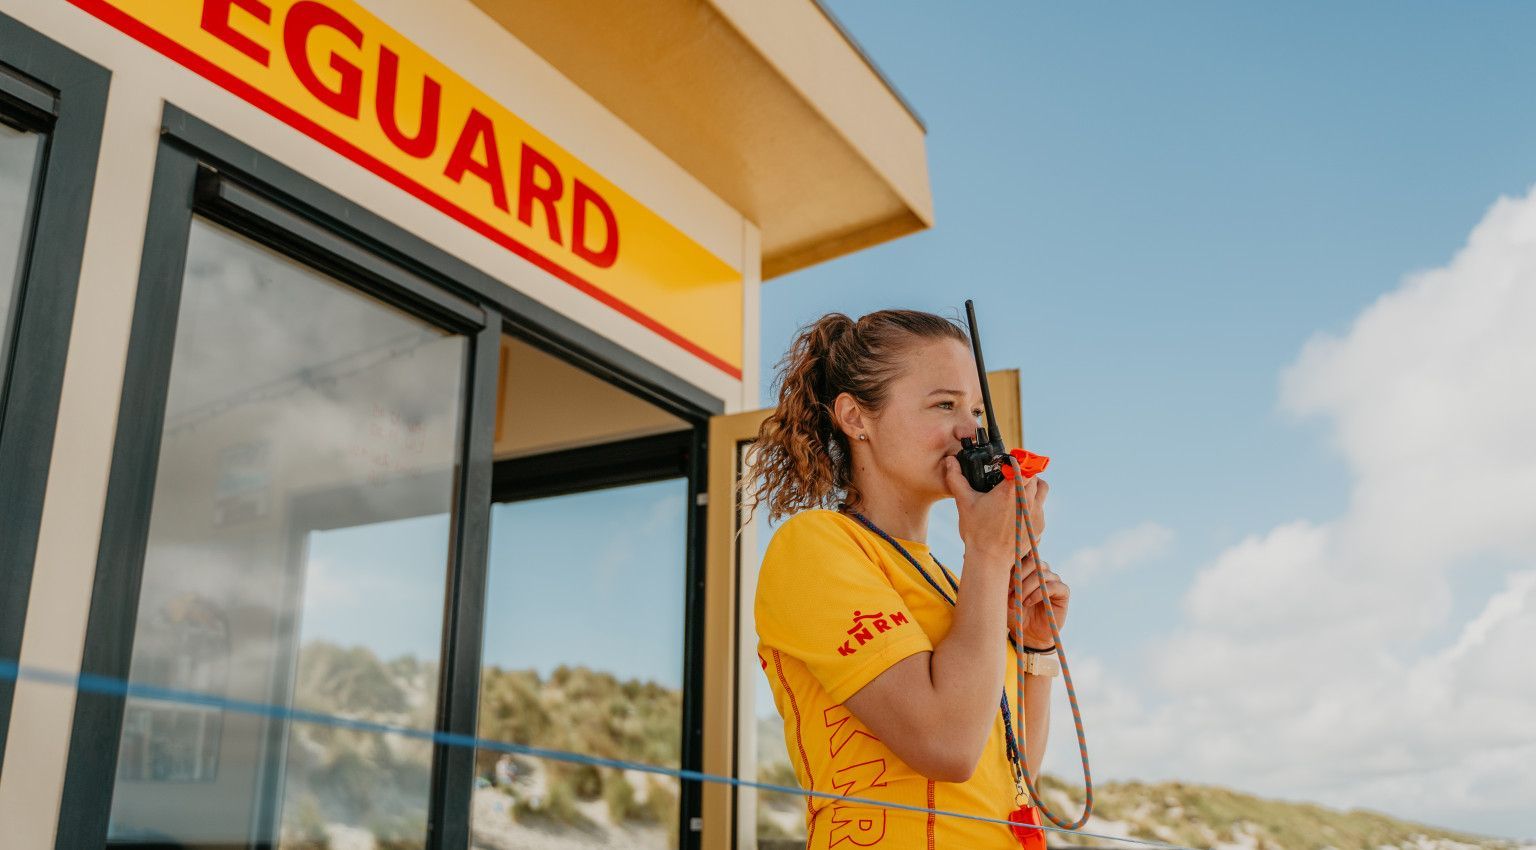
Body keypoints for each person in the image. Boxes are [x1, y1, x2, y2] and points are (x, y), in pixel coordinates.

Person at [748, 309, 1070, 849]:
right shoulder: (815, 545)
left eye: (973, 409)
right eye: (944, 405)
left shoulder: (953, 580)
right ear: (855, 418)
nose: (970, 429)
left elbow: (1012, 784)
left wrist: (1034, 650)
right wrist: (989, 553)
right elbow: (948, 746)